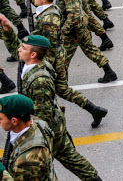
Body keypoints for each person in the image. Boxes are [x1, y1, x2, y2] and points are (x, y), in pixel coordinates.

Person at [18, 35, 103, 180]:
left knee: (41, 169)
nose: (19, 50)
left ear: (33, 55)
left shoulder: (40, 81)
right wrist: (7, 29)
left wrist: (29, 138)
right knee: (71, 159)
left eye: (23, 48)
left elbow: (42, 117)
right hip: (55, 123)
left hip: (49, 129)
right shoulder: (33, 64)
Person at [0, 94, 55, 180]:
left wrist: (1, 173)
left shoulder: (27, 160)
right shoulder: (36, 123)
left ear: (14, 121)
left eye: (0, 119)